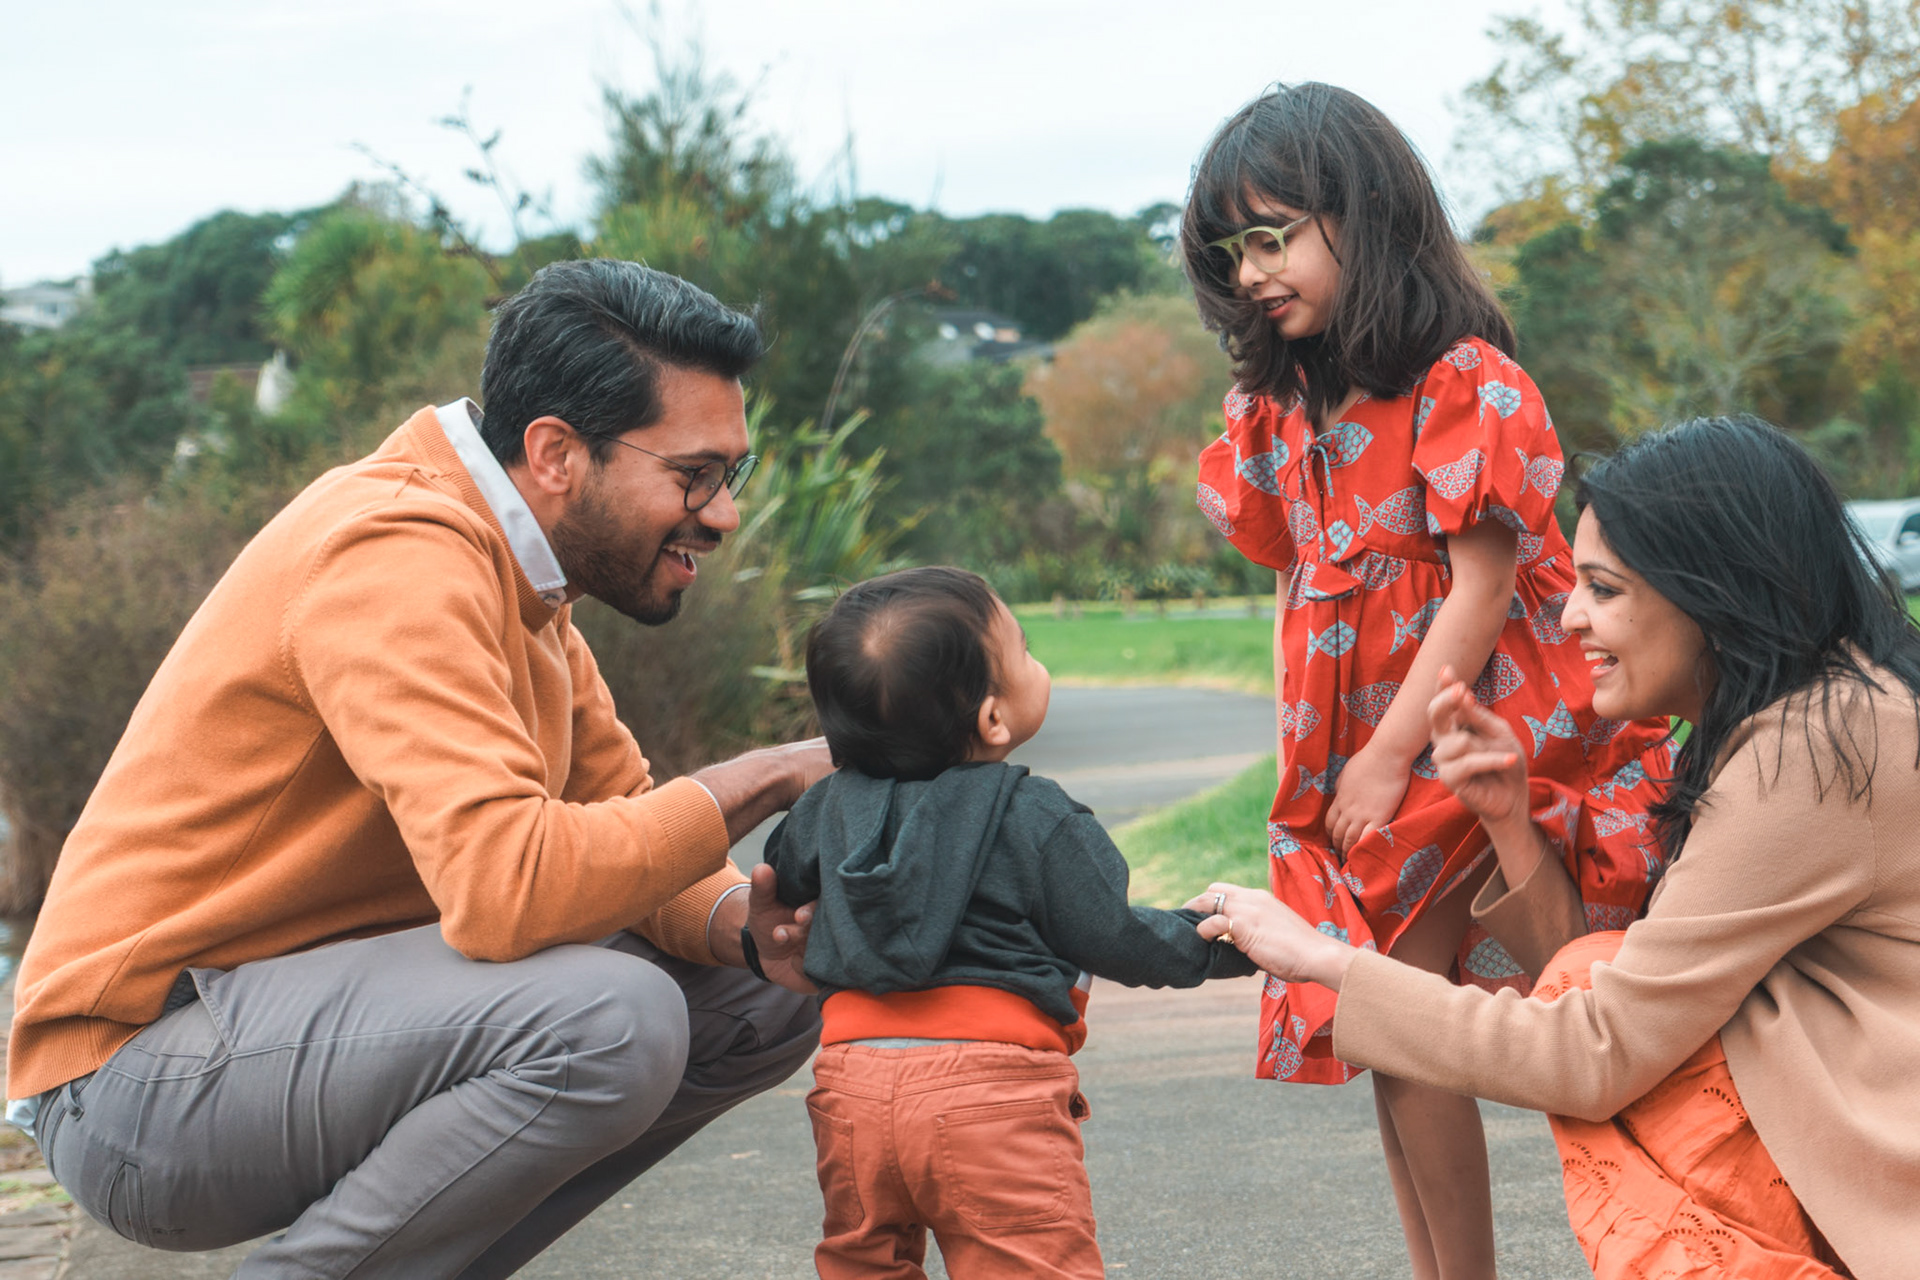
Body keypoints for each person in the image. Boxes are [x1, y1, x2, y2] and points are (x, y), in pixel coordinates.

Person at [6, 259, 835, 1278]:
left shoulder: (526, 581)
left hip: (281, 1038)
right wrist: (769, 772)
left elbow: (624, 813)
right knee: (610, 1020)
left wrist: (742, 927)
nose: (722, 514)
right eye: (695, 474)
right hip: (139, 1081)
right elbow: (508, 889)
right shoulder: (394, 551)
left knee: (766, 993)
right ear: (557, 452)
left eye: (730, 477)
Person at [1195, 416, 1920, 1280]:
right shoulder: (1818, 709)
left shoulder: (1817, 745)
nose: (1569, 618)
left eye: (1604, 589)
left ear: (1714, 589)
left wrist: (1325, 960)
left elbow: (1595, 1053)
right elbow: (1624, 992)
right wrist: (1509, 822)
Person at [1182, 82, 1672, 1279]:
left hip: (1470, 726)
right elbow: (1308, 582)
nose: (1251, 271)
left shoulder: (1461, 382)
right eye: (1231, 249)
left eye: (1276, 234)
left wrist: (1388, 753)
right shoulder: (1285, 405)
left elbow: (1483, 588)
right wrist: (1325, 743)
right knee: (1387, 1020)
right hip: (1357, 740)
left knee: (1398, 1003)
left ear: (1367, 214)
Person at [762, 566, 1254, 1279]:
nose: (1036, 660)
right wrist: (1212, 943)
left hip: (851, 1086)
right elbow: (1110, 936)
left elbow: (785, 885)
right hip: (987, 1094)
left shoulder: (823, 809)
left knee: (865, 1263)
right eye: (1024, 650)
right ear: (993, 719)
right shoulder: (1035, 815)